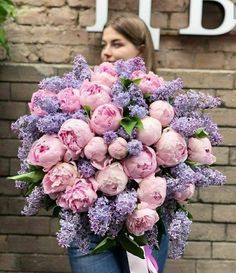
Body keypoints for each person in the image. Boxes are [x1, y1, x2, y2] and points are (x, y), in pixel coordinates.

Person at [68, 14, 169, 273]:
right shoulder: (84, 97)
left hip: (143, 228)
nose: (106, 52)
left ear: (140, 49)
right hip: (90, 226)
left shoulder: (163, 104)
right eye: (104, 44)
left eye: (117, 44)